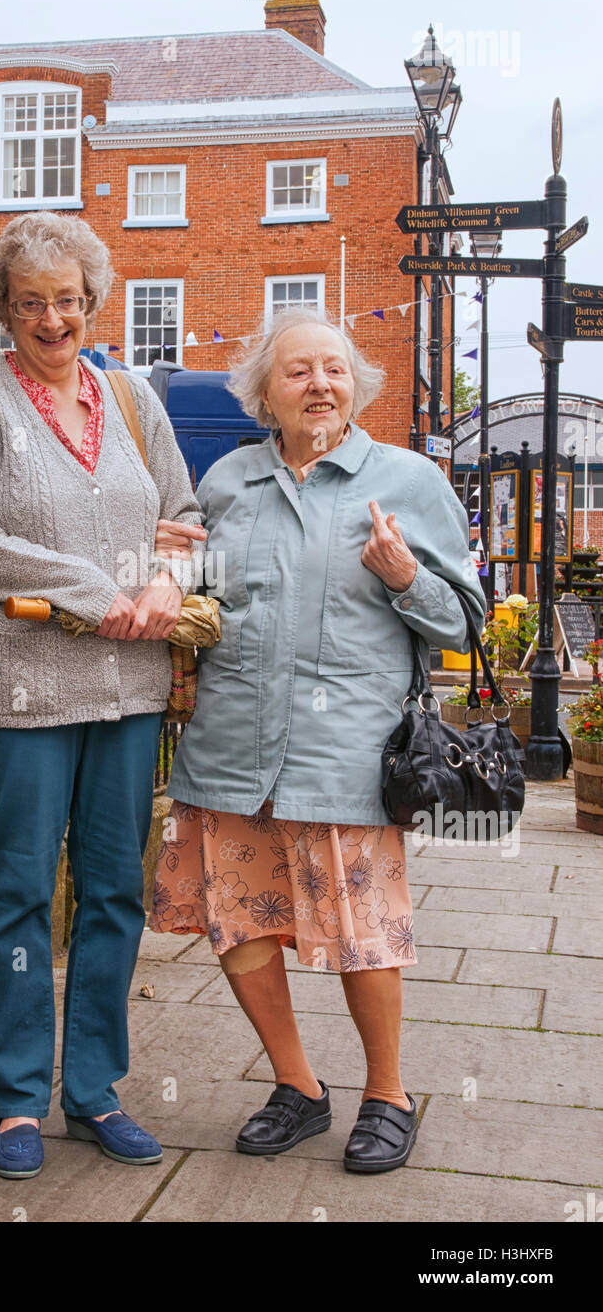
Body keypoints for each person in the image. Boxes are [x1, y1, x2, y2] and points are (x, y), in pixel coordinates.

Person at [150, 308, 485, 1173]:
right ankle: (297, 1087)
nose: (318, 385)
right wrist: (170, 567)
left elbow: (464, 622)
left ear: (355, 384)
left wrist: (407, 578)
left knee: (361, 933)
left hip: (346, 758)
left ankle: (387, 1095)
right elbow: (206, 603)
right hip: (230, 750)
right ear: (264, 390)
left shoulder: (406, 479)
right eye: (296, 371)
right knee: (241, 927)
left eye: (332, 369)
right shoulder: (225, 482)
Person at [0, 211, 205, 1179]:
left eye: (68, 300)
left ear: (93, 301)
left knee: (112, 892)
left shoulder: (131, 396)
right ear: (3, 308)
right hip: (21, 689)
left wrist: (167, 586)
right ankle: (14, 1101)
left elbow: (182, 517)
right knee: (15, 894)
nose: (52, 319)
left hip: (128, 689)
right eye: (30, 302)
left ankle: (90, 1086)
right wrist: (100, 593)